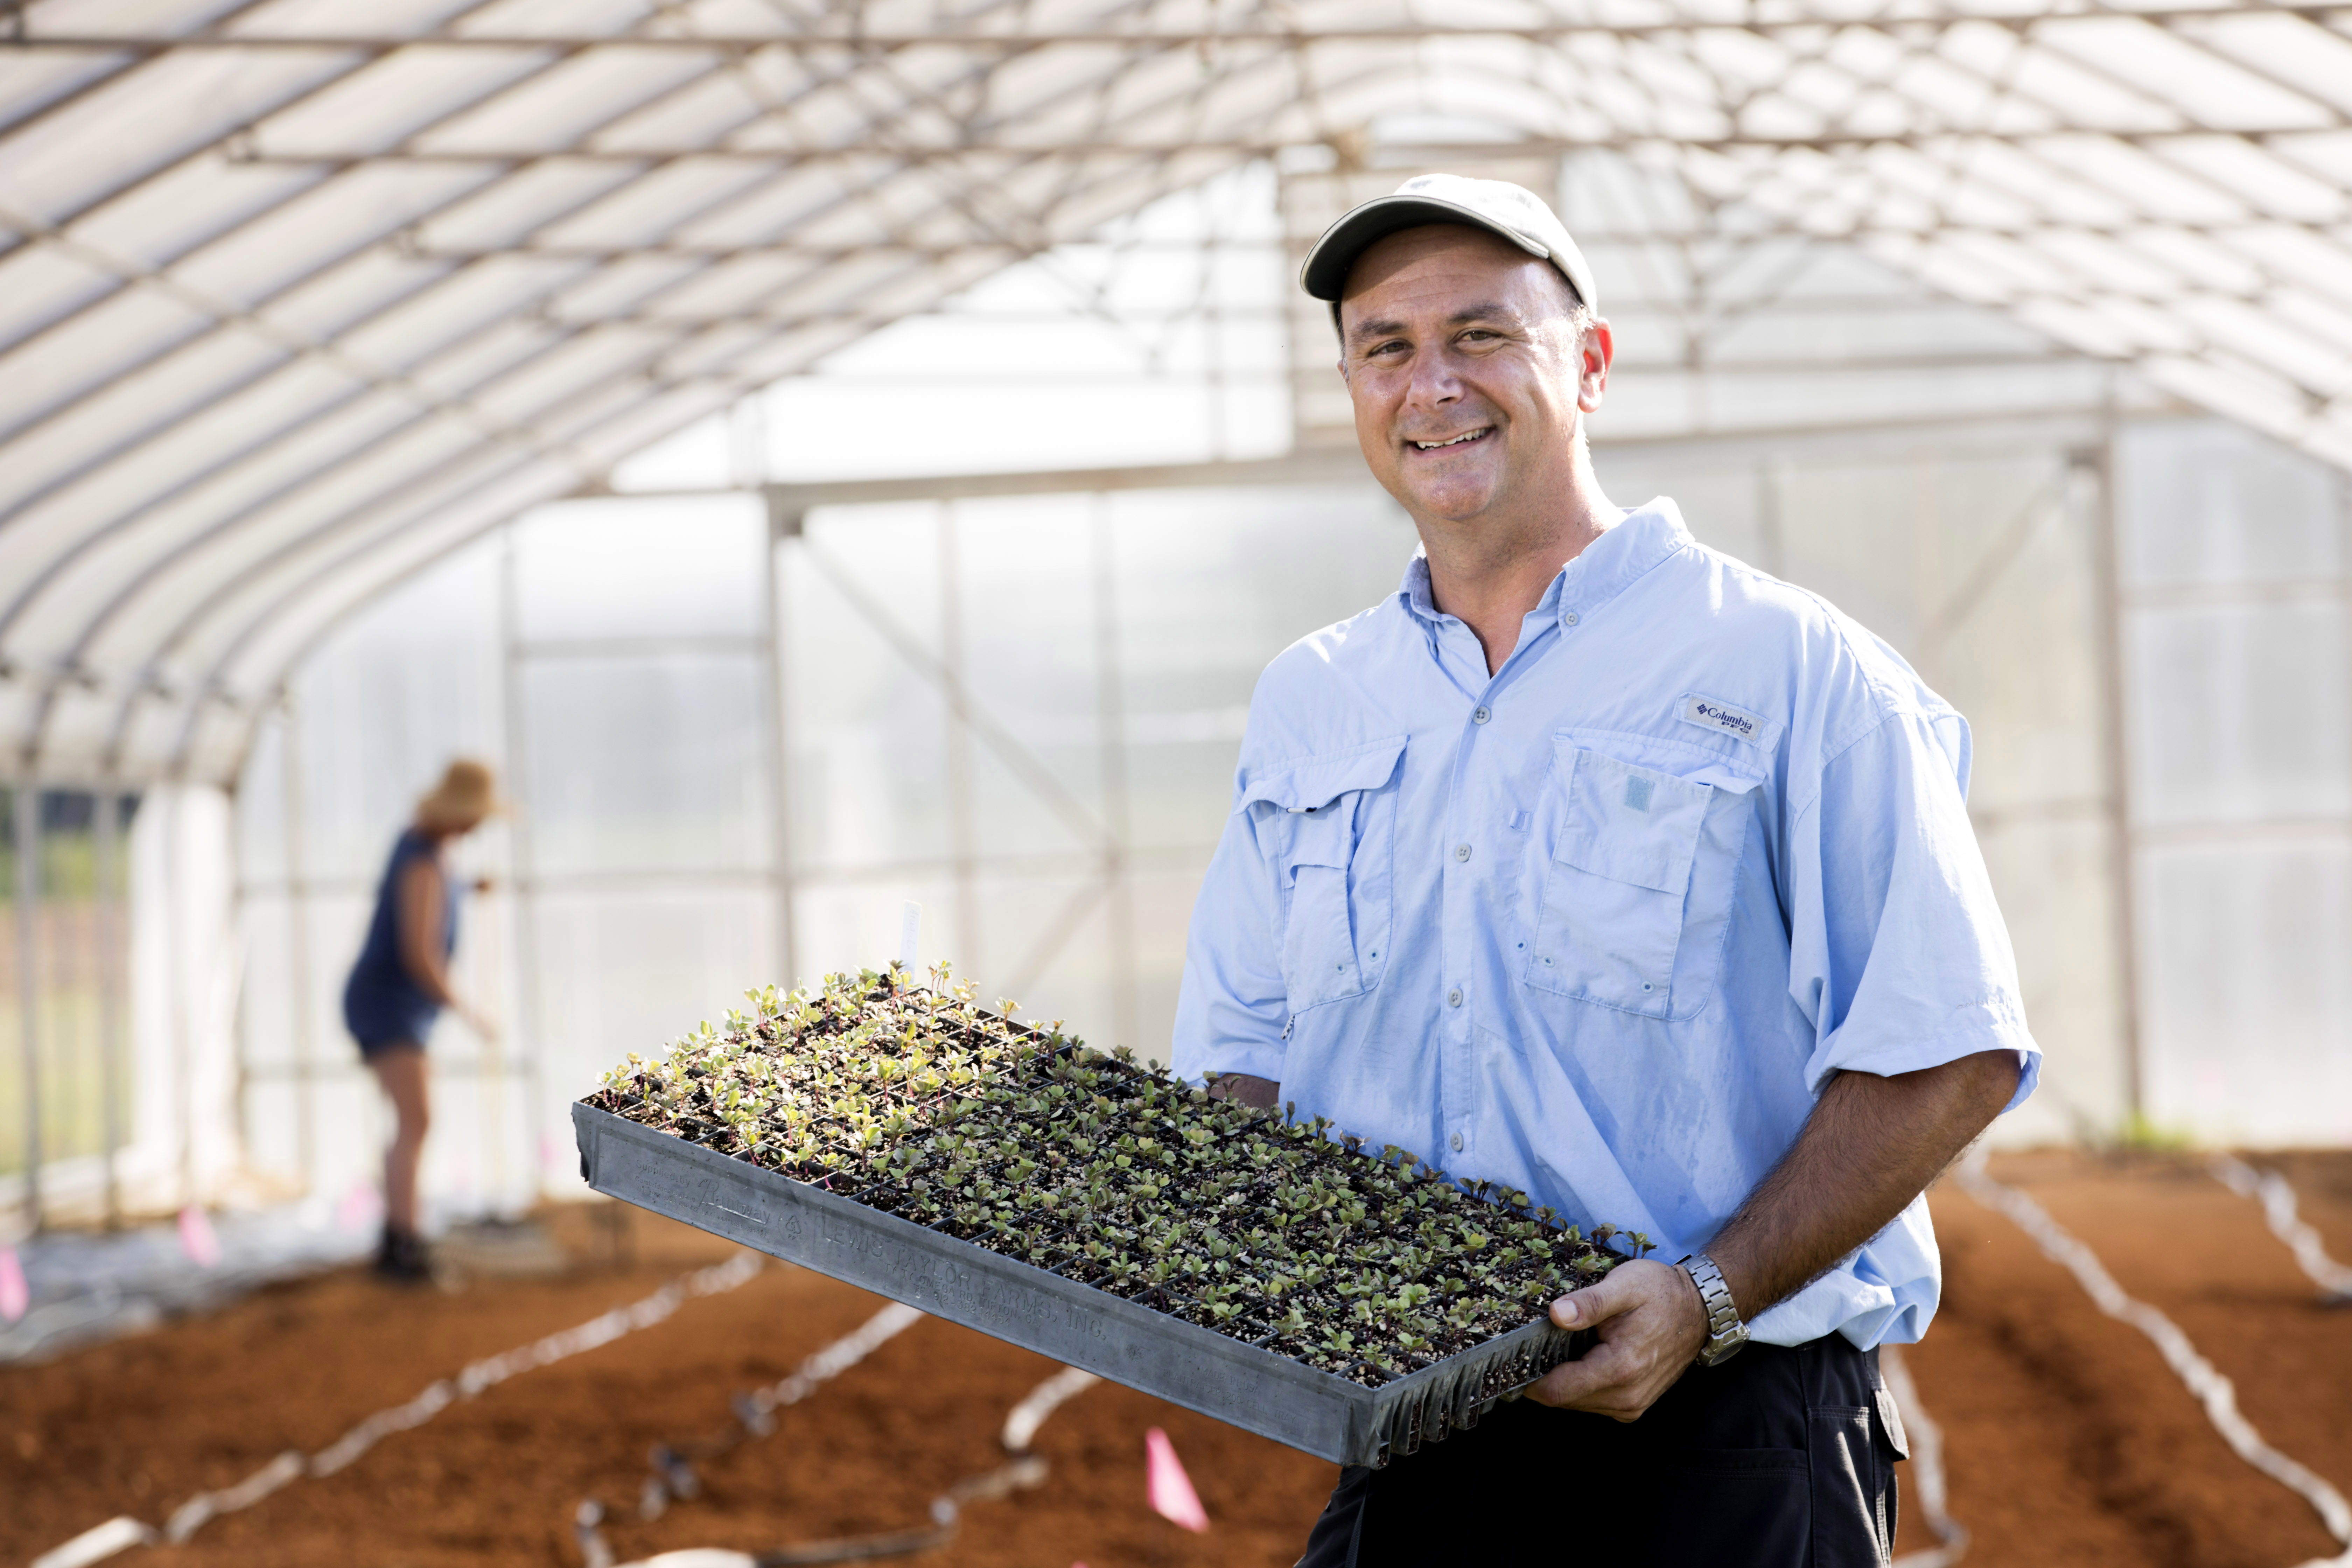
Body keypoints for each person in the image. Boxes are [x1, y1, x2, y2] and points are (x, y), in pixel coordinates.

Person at [1170, 175, 2038, 1567]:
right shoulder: (1312, 701)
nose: (1432, 383)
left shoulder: (1785, 668)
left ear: (1589, 361)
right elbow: (1243, 1053)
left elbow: (1947, 1048)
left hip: (1724, 1444)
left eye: (1481, 335)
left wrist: (1708, 1293)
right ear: (1352, 386)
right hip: (1413, 1448)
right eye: (1385, 347)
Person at [342, 759, 502, 1282]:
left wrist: (467, 889)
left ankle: (401, 1235)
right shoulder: (423, 861)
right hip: (388, 1004)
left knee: (412, 1122)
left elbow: (430, 902)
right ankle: (401, 1243)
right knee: (416, 1120)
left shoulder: (430, 854)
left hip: (399, 1006)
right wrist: (468, 1011)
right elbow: (419, 952)